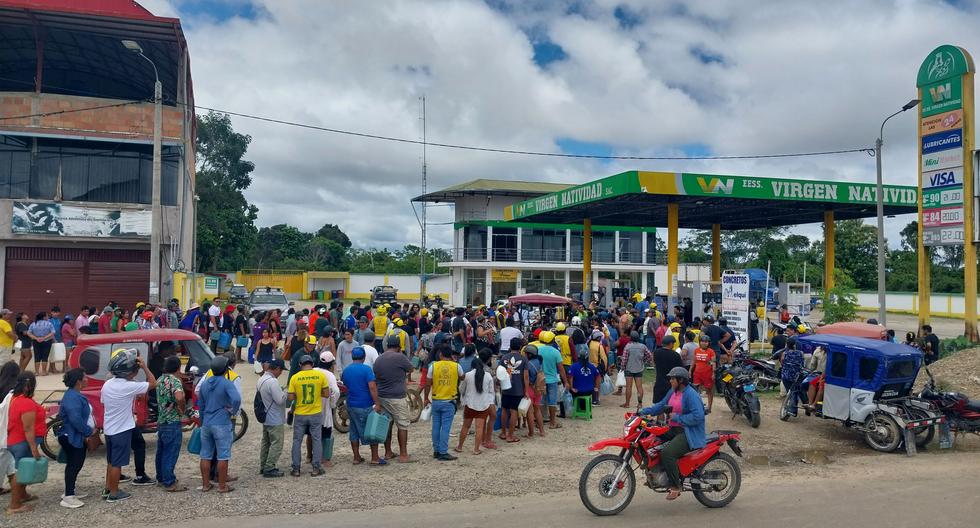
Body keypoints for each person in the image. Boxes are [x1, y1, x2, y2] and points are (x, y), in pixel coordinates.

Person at [638, 367, 706, 501]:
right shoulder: (673, 392)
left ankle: (676, 485)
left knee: (667, 453)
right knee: (651, 442)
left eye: (672, 379)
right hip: (672, 429)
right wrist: (642, 412)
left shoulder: (691, 395)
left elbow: (698, 417)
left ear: (681, 380)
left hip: (687, 432)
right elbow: (661, 406)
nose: (670, 381)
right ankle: (658, 474)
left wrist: (677, 418)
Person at [101, 349, 156, 502]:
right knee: (118, 463)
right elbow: (153, 383)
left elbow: (104, 403)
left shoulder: (107, 385)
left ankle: (108, 488)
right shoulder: (128, 387)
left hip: (109, 428)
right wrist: (144, 367)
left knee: (111, 461)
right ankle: (114, 493)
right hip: (122, 429)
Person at [197, 356, 240, 492]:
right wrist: (232, 410)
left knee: (205, 455)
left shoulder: (205, 383)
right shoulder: (227, 383)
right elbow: (237, 399)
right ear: (225, 369)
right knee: (223, 455)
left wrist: (203, 421)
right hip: (221, 422)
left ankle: (205, 485)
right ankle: (222, 486)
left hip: (207, 423)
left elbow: (201, 405)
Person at [373, 335, 415, 463]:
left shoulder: (379, 359)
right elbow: (411, 368)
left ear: (386, 345)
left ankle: (388, 452)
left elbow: (376, 375)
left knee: (388, 424)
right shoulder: (400, 357)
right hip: (397, 397)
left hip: (382, 396)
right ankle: (403, 454)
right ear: (398, 346)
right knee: (402, 424)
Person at [5, 372, 43, 513]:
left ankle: (22, 495)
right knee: (19, 472)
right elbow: (28, 428)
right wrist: (34, 448)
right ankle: (15, 506)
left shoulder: (16, 398)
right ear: (28, 386)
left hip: (16, 440)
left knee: (21, 469)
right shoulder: (26, 402)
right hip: (22, 442)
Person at [58, 368, 95, 507]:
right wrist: (88, 431)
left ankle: (70, 490)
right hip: (71, 436)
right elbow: (75, 419)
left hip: (74, 435)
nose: (87, 379)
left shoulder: (74, 395)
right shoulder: (73, 397)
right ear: (79, 381)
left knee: (75, 464)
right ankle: (68, 496)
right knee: (74, 464)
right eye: (84, 377)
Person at [287, 354, 329, 477]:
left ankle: (296, 469)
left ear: (300, 365)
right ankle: (316, 468)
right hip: (315, 412)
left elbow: (290, 397)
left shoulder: (295, 378)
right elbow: (326, 394)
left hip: (300, 413)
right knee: (316, 439)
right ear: (312, 364)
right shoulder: (321, 376)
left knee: (297, 441)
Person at [342, 346, 383, 464]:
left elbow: (346, 386)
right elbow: (372, 387)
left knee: (353, 430)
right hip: (365, 404)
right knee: (372, 429)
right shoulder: (367, 370)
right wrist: (377, 403)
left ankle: (356, 457)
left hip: (351, 405)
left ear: (352, 357)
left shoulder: (347, 370)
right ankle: (375, 458)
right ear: (364, 357)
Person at [423, 345, 463, 461]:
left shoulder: (433, 366)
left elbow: (427, 383)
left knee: (436, 426)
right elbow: (463, 377)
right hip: (449, 400)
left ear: (440, 355)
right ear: (451, 355)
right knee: (445, 428)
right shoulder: (456, 366)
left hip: (436, 400)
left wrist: (426, 398)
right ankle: (443, 451)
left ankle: (436, 450)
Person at [154, 356, 187, 492]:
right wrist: (182, 408)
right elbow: (179, 397)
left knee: (161, 451)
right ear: (178, 367)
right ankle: (169, 482)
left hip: (161, 420)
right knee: (170, 452)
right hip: (172, 421)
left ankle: (161, 477)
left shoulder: (160, 379)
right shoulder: (175, 381)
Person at [455, 349, 494, 454]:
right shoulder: (488, 375)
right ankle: (476, 449)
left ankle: (459, 446)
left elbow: (461, 389)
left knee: (466, 426)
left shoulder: (467, 375)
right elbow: (491, 392)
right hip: (483, 405)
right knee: (479, 427)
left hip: (470, 404)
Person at [258, 358, 288, 477]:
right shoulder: (273, 382)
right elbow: (280, 400)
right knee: (277, 443)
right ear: (276, 369)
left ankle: (263, 465)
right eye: (281, 370)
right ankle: (270, 467)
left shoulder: (261, 379)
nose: (281, 373)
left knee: (266, 442)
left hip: (266, 416)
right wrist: (285, 391)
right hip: (275, 417)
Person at [498, 337, 529, 443]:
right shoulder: (523, 359)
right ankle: (510, 435)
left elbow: (500, 373)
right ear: (520, 347)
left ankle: (503, 433)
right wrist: (526, 390)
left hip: (506, 388)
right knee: (514, 411)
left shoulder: (504, 358)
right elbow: (525, 377)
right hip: (518, 389)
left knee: (504, 410)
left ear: (510, 346)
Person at [536, 331, 568, 427]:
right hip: (552, 380)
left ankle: (539, 422)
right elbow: (561, 369)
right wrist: (565, 381)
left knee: (540, 401)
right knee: (552, 402)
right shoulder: (556, 352)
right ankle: (552, 423)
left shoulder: (538, 350)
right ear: (552, 340)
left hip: (541, 380)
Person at [619, 331, 652, 409]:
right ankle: (640, 404)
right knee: (639, 387)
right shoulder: (643, 346)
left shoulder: (628, 346)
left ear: (631, 338)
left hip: (629, 369)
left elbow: (624, 359)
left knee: (628, 387)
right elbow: (650, 356)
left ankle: (627, 404)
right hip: (639, 369)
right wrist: (644, 361)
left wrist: (622, 367)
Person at [652, 335, 684, 404]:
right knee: (670, 407)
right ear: (671, 343)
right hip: (672, 384)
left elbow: (654, 364)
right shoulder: (676, 355)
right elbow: (681, 369)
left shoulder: (656, 353)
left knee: (659, 408)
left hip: (659, 383)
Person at [690, 334, 715, 414]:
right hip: (697, 373)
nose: (704, 343)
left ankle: (709, 407)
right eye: (702, 342)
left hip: (707, 374)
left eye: (706, 342)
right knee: (696, 390)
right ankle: (697, 406)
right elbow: (694, 361)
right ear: (700, 342)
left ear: (709, 343)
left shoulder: (711, 351)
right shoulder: (696, 350)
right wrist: (690, 370)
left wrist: (713, 373)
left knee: (709, 391)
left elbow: (713, 363)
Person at [780, 338, 804, 417]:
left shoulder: (785, 353)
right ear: (794, 345)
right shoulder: (800, 353)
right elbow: (802, 363)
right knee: (794, 392)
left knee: (789, 392)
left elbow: (782, 362)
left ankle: (791, 409)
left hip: (786, 376)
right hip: (796, 376)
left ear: (787, 345)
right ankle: (792, 410)